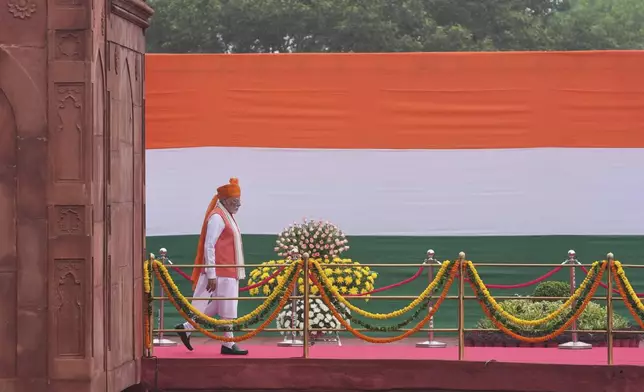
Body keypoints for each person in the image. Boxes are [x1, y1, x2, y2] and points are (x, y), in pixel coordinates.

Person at [175, 177, 248, 355]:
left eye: (239, 201)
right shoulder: (217, 217)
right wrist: (211, 274)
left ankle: (186, 327)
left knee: (218, 307)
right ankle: (228, 343)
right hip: (220, 272)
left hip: (229, 271)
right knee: (228, 306)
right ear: (224, 201)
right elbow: (209, 245)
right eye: (235, 201)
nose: (238, 204)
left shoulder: (227, 215)